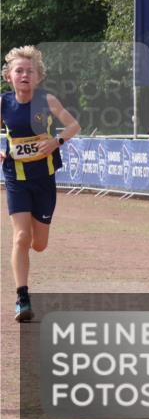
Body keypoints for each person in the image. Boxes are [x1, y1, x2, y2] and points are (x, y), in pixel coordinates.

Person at [1, 46, 81, 322]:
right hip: (16, 178)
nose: (24, 75)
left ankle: (34, 244)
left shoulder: (47, 100)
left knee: (39, 244)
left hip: (44, 179)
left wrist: (56, 141)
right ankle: (22, 298)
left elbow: (73, 126)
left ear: (38, 77)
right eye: (19, 71)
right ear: (9, 76)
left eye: (29, 71)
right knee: (21, 238)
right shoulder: (3, 103)